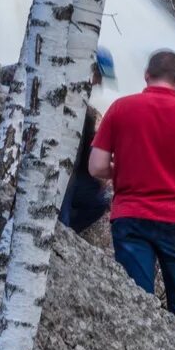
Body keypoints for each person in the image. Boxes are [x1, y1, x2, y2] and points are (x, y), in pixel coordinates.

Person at [89, 49, 175, 341]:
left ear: (146, 76)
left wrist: (126, 170)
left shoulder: (121, 109)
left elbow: (97, 166)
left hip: (131, 218)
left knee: (137, 303)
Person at [59, 50, 114, 233]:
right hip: (56, 172)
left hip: (74, 174)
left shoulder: (87, 115)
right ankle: (62, 232)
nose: (98, 84)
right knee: (63, 210)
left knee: (101, 199)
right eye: (98, 77)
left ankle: (68, 235)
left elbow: (84, 155)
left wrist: (100, 176)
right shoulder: (57, 97)